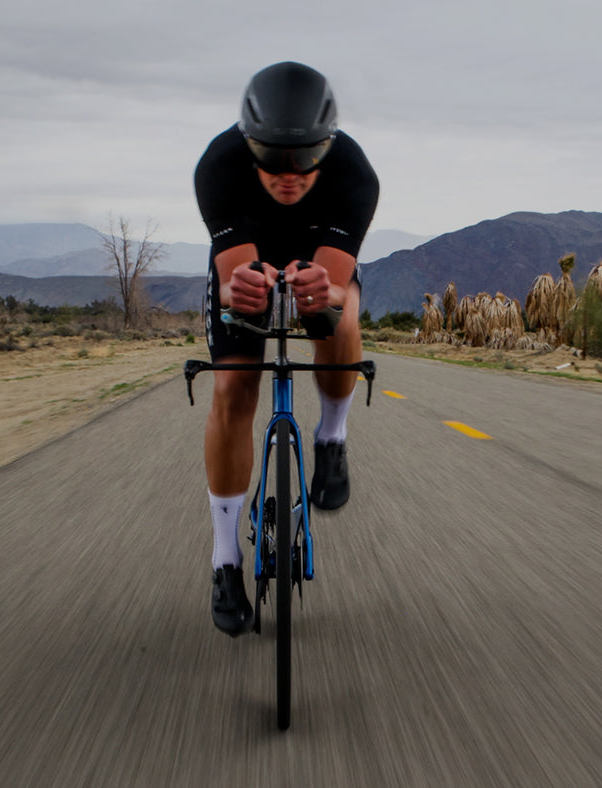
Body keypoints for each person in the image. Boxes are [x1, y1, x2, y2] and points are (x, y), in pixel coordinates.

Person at [194, 61, 379, 636]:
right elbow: (232, 279)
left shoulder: (355, 175)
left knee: (341, 308)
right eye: (273, 157)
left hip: (316, 266)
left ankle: (332, 436)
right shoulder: (218, 166)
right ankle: (226, 561)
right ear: (248, 144)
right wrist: (236, 287)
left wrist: (318, 289)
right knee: (232, 387)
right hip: (248, 266)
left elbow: (331, 279)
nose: (291, 173)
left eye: (307, 158)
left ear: (330, 146)